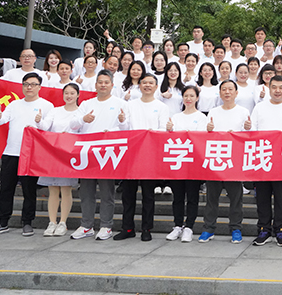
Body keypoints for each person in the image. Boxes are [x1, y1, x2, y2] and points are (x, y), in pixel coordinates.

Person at [0, 72, 55, 237]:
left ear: (39, 87)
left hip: (31, 154)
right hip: (11, 151)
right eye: (26, 84)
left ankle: (27, 222)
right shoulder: (14, 104)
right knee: (6, 188)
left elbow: (47, 128)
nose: (29, 87)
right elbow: (1, 120)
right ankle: (3, 222)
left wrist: (39, 121)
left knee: (29, 190)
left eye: (33, 84)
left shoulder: (47, 105)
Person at [71, 70, 128, 240]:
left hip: (108, 153)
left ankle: (106, 226)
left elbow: (127, 128)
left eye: (106, 82)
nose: (103, 85)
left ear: (112, 85)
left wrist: (120, 124)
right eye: (100, 82)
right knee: (86, 192)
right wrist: (83, 119)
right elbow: (73, 124)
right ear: (95, 85)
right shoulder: (86, 104)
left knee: (106, 192)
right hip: (87, 153)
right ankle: (86, 225)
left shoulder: (120, 103)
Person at [115, 73, 169, 241]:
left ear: (156, 86)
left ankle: (146, 228)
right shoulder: (130, 105)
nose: (147, 85)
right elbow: (125, 129)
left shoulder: (161, 107)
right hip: (131, 154)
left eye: (151, 83)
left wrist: (150, 134)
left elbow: (163, 130)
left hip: (150, 155)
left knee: (148, 194)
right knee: (128, 194)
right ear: (139, 85)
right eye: (144, 82)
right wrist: (121, 121)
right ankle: (127, 228)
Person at [250, 75, 282, 246]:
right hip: (262, 158)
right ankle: (264, 229)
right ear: (269, 88)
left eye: (281, 87)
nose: (277, 91)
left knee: (281, 198)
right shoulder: (259, 107)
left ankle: (280, 230)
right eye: (274, 87)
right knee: (262, 197)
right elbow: (253, 131)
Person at [199, 80, 250, 243]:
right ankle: (208, 229)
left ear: (236, 93)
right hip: (215, 160)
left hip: (234, 161)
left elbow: (248, 137)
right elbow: (205, 136)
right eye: (224, 89)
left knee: (236, 198)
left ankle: (236, 229)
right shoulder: (213, 111)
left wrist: (246, 129)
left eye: (230, 89)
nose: (227, 92)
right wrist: (208, 130)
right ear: (220, 93)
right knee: (211, 198)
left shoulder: (243, 112)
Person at [38, 82, 84, 236]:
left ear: (78, 95)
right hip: (53, 153)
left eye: (72, 93)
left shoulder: (81, 113)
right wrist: (38, 121)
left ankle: (63, 222)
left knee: (65, 188)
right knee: (52, 189)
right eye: (66, 93)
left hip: (69, 154)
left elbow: (83, 132)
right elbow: (45, 126)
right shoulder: (55, 110)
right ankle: (52, 222)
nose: (69, 96)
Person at [164, 84, 207, 243]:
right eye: (186, 96)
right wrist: (169, 130)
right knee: (178, 197)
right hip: (178, 161)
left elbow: (200, 138)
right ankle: (177, 225)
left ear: (197, 98)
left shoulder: (202, 117)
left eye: (191, 96)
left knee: (192, 196)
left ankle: (189, 227)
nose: (188, 99)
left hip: (193, 163)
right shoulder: (176, 117)